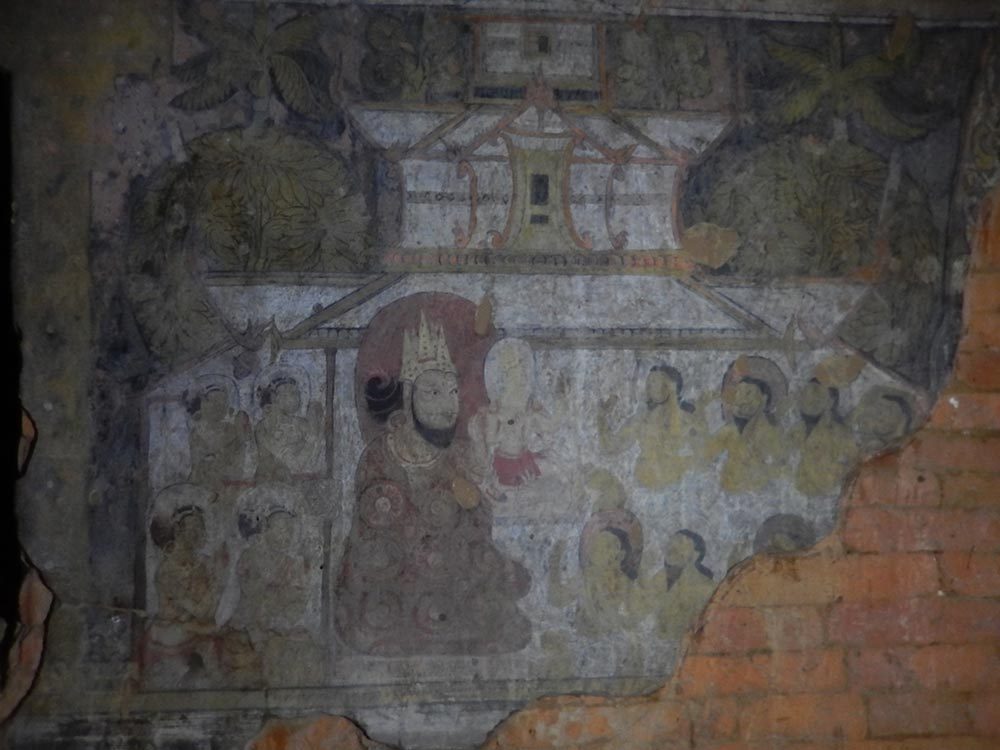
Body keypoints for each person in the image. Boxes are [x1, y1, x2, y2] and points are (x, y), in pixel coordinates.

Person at [334, 312, 531, 656]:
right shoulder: (378, 455)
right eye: (433, 392)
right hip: (391, 580)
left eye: (452, 392)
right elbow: (366, 531)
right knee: (369, 626)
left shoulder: (459, 455)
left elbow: (478, 529)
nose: (447, 405)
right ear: (408, 396)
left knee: (499, 623)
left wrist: (472, 504)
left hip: (452, 580)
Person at [597, 365, 705, 489]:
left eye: (654, 381)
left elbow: (697, 454)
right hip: (644, 487)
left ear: (669, 386)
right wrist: (601, 417)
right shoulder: (642, 419)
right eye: (648, 381)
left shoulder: (686, 419)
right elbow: (611, 446)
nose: (648, 386)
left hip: (675, 485)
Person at [792, 378, 858, 496]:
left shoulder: (840, 433)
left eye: (818, 395)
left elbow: (849, 467)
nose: (810, 401)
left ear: (831, 401)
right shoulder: (795, 431)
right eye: (806, 395)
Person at [253, 374, 323, 480]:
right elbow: (294, 464)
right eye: (291, 394)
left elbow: (314, 459)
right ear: (275, 398)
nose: (297, 398)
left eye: (297, 393)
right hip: (271, 481)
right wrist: (309, 439)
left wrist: (316, 425)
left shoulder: (302, 423)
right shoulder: (263, 427)